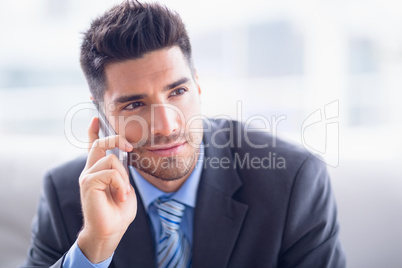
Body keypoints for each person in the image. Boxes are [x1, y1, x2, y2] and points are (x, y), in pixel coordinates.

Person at [22, 1, 346, 267]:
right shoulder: (66, 194)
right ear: (102, 115)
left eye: (177, 92)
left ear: (198, 85)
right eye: (135, 104)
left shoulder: (293, 182)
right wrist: (95, 246)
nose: (167, 125)